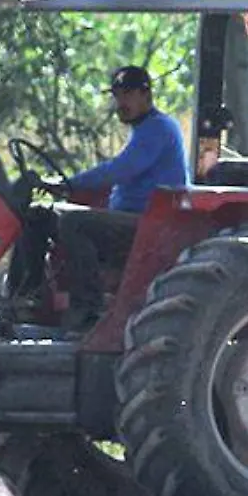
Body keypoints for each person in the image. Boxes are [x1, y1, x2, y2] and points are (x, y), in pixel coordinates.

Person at [30, 65, 190, 327]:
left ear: (145, 94)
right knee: (40, 214)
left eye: (127, 95)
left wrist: (69, 184)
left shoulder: (159, 128)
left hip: (147, 225)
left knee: (74, 223)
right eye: (117, 96)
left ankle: (87, 308)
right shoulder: (143, 131)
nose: (120, 103)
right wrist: (65, 187)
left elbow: (120, 169)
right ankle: (26, 296)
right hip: (127, 219)